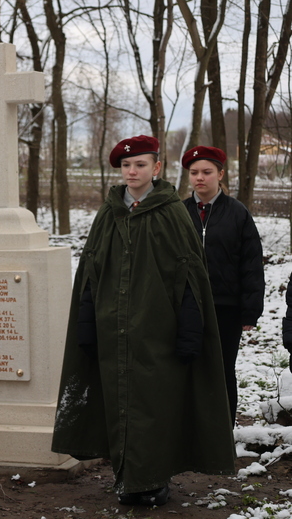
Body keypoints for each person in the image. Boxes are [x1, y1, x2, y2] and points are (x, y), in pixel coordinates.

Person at [51, 135, 235, 507]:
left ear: (156, 167)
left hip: (158, 334)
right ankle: (127, 479)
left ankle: (152, 478)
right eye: (125, 165)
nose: (132, 171)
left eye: (139, 164)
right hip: (111, 330)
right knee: (119, 405)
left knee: (153, 407)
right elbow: (90, 275)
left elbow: (189, 279)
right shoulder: (108, 215)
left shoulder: (171, 213)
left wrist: (189, 332)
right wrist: (87, 326)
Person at [181, 145, 264, 423]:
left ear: (220, 174)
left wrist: (250, 309)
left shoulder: (238, 213)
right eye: (194, 173)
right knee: (187, 366)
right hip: (186, 306)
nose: (199, 178)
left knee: (222, 368)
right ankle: (190, 431)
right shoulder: (178, 214)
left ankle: (223, 430)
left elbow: (251, 262)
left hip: (225, 308)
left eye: (206, 172)